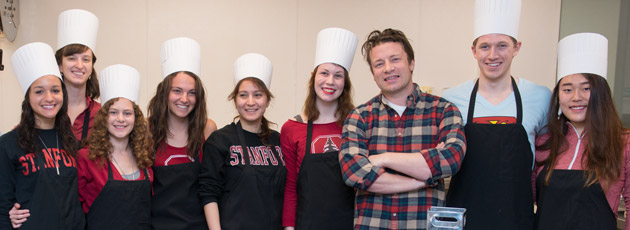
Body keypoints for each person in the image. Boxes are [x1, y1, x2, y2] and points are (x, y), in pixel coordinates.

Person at [339, 28, 466, 229]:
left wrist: (383, 158)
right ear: (373, 74)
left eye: (395, 59)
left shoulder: (443, 110)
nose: (388, 68)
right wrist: (424, 178)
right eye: (379, 64)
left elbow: (450, 160)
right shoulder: (359, 116)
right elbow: (354, 173)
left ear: (411, 63)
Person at [443, 0, 551, 229]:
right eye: (484, 46)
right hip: (464, 218)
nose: (493, 55)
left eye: (502, 45)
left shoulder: (541, 96)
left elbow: (546, 160)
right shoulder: (451, 98)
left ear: (517, 48)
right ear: (473, 51)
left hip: (516, 217)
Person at [533, 32, 629, 230]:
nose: (576, 97)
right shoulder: (544, 142)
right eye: (567, 89)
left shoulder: (623, 143)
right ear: (558, 96)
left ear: (601, 93)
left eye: (586, 88)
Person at [0, 42, 85, 230]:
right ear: (28, 98)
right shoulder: (8, 144)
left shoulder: (72, 142)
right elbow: (3, 207)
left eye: (55, 90)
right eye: (39, 91)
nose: (49, 98)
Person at [281, 27, 357, 230]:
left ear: (345, 82)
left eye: (338, 75)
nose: (330, 81)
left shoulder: (356, 123)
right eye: (324, 73)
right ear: (313, 76)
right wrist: (289, 228)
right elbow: (289, 187)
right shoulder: (292, 128)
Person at [199, 53, 286, 230]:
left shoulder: (279, 141)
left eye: (258, 95)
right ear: (235, 100)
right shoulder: (220, 140)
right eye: (243, 95)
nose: (250, 102)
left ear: (267, 100)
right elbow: (208, 191)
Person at [148, 37, 217, 229]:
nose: (184, 99)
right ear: (164, 93)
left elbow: (212, 187)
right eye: (177, 91)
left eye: (192, 92)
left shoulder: (208, 129)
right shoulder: (146, 130)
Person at [76, 64, 153, 230]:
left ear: (136, 118)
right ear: (103, 117)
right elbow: (74, 211)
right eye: (113, 112)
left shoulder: (144, 157)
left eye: (127, 113)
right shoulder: (86, 158)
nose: (120, 119)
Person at [55, 9, 101, 142]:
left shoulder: (101, 114)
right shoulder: (48, 110)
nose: (79, 65)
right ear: (60, 66)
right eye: (72, 58)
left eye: (86, 59)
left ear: (91, 67)